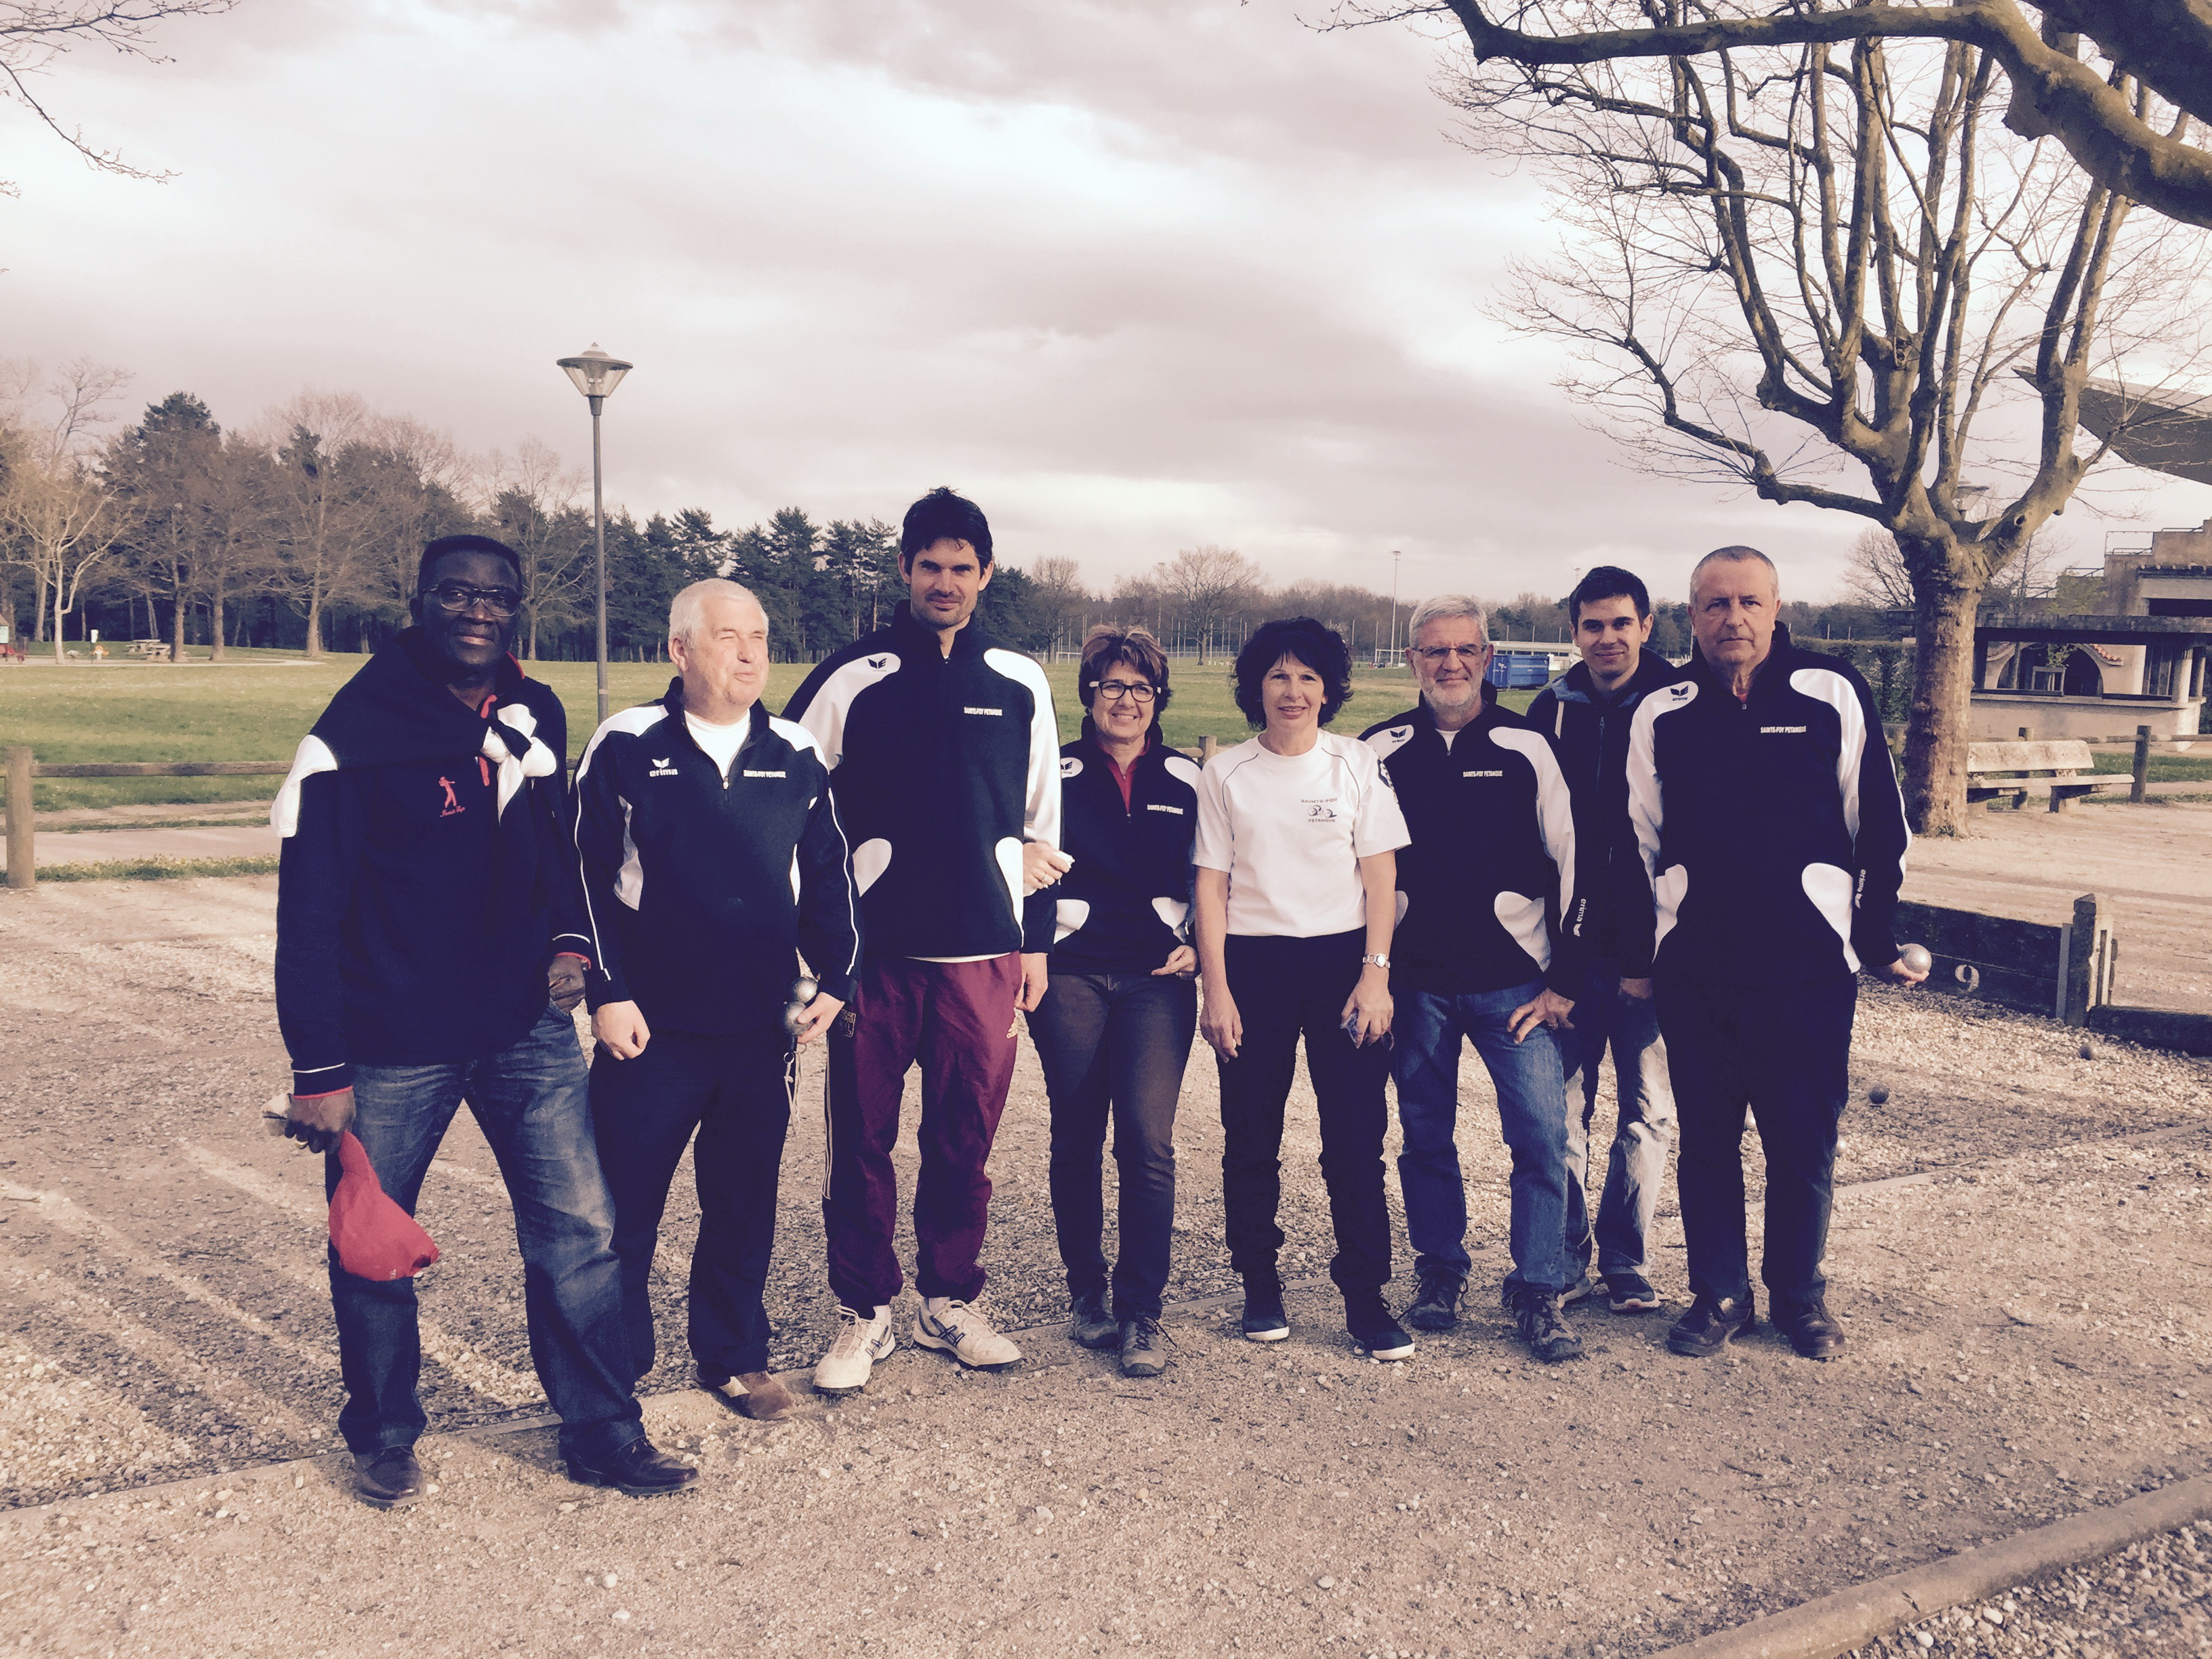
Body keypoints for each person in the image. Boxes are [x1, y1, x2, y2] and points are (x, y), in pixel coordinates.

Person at [272, 533, 693, 1506]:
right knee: (373, 1244)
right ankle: (382, 1430)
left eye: (496, 596)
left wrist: (571, 945)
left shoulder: (532, 710)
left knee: (581, 1232)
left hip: (523, 1030)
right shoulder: (354, 734)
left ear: (517, 608)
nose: (477, 610)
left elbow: (558, 854)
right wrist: (318, 1071)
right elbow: (308, 915)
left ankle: (601, 1430)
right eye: (455, 593)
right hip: (390, 1044)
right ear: (418, 599)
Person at [783, 487, 1061, 1393]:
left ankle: (951, 1301)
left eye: (962, 567)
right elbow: (788, 796)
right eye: (929, 566)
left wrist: (1037, 946)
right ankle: (865, 1312)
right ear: (905, 570)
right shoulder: (849, 675)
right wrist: (818, 935)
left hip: (982, 955)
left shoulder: (1019, 681)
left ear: (985, 574)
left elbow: (1039, 828)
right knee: (860, 1139)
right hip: (875, 959)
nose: (945, 582)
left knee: (963, 1138)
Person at [1620, 546, 1923, 1362]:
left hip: (1807, 969)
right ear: (1691, 617)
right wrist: (1639, 954)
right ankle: (1720, 1296)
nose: (1733, 619)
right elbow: (1635, 840)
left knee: (1802, 1140)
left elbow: (1881, 827)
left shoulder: (1831, 691)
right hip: (1697, 971)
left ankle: (1798, 1297)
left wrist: (1875, 939)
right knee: (1709, 1140)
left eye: (1749, 602)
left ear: (1777, 607)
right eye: (1715, 605)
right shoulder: (1664, 709)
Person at [573, 579, 861, 1423]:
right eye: (729, 637)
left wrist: (838, 978)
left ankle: (733, 1355)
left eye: (760, 639)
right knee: (622, 1212)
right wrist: (608, 992)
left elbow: (831, 879)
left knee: (742, 1202)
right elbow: (582, 881)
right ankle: (609, 1373)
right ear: (680, 649)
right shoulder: (626, 744)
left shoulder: (797, 754)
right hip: (650, 1030)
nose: (748, 654)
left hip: (756, 1029)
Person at [1362, 596, 1587, 1364]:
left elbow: (1575, 863)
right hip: (1416, 984)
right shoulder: (1380, 749)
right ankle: (1440, 1270)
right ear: (1413, 661)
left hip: (1515, 987)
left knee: (1541, 1138)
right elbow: (1352, 870)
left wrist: (1566, 981)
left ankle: (1539, 1288)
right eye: (1433, 651)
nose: (1449, 664)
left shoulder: (1530, 744)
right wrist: (1371, 975)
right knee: (1425, 1135)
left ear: (1487, 659)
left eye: (1464, 650)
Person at [1194, 617, 1414, 1360]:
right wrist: (1216, 992)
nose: (1293, 691)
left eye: (1308, 677)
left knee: (1355, 1142)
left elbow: (1380, 878)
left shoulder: (1356, 764)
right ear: (1257, 686)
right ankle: (1260, 1283)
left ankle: (1366, 1298)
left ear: (1329, 689)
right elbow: (1212, 889)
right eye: (1279, 676)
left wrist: (1375, 975)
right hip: (1254, 969)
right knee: (1251, 1139)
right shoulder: (1224, 774)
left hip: (1343, 971)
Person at [1031, 626, 1201, 1379]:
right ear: (1090, 694)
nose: (1126, 700)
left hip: (1157, 979)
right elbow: (1018, 862)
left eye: (1140, 689)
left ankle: (1142, 1313)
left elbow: (1222, 874)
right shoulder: (1053, 771)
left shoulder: (1189, 778)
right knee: (1076, 1135)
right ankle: (1086, 1294)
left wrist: (1201, 939)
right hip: (1070, 974)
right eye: (1111, 687)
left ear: (1157, 699)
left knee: (1146, 1140)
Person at [1526, 567, 1685, 1316]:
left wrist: (1649, 957)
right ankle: (1565, 1257)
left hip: (1654, 950)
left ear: (1647, 625)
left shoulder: (1683, 706)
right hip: (1571, 953)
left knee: (1648, 1109)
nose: (1608, 638)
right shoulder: (1550, 711)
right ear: (1575, 631)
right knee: (1563, 1112)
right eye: (1593, 625)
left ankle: (1628, 1258)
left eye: (1622, 623)